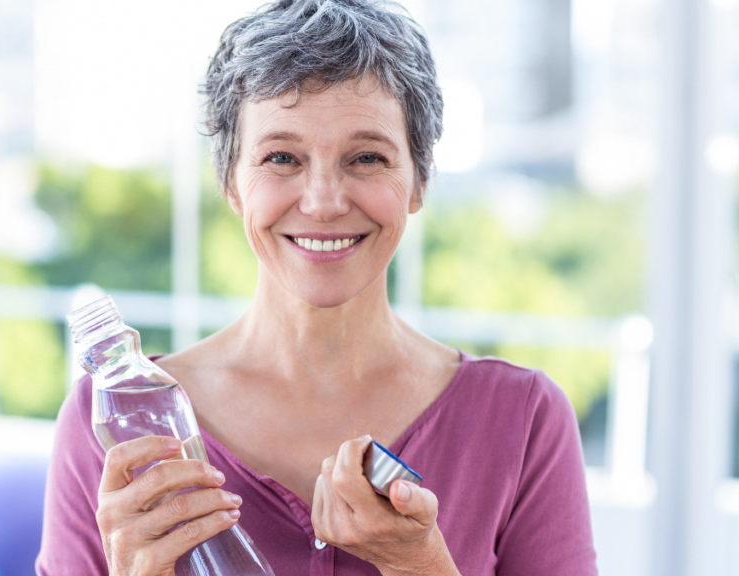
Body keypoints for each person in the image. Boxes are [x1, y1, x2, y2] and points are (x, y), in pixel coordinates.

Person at [36, 0, 598, 574]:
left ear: (418, 180)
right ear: (231, 181)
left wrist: (421, 564)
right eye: (282, 157)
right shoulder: (110, 422)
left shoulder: (523, 421)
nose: (324, 202)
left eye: (366, 158)